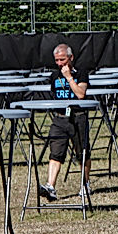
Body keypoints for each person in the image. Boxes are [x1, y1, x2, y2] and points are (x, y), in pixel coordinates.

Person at [39, 44, 91, 200]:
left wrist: (69, 78)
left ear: (70, 58)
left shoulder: (81, 74)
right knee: (55, 152)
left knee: (82, 152)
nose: (60, 63)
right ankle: (50, 186)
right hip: (60, 117)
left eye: (62, 59)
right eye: (57, 60)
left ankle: (85, 183)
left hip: (78, 116)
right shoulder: (54, 76)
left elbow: (81, 94)